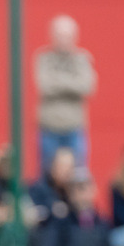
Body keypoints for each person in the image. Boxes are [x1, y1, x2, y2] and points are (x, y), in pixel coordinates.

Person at [34, 15, 96, 169]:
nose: (63, 39)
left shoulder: (82, 59)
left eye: (67, 35)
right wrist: (72, 82)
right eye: (59, 35)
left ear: (75, 36)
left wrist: (57, 80)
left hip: (74, 128)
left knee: (78, 174)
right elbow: (45, 86)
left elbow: (86, 86)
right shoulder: (43, 58)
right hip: (49, 128)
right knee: (48, 174)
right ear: (52, 36)